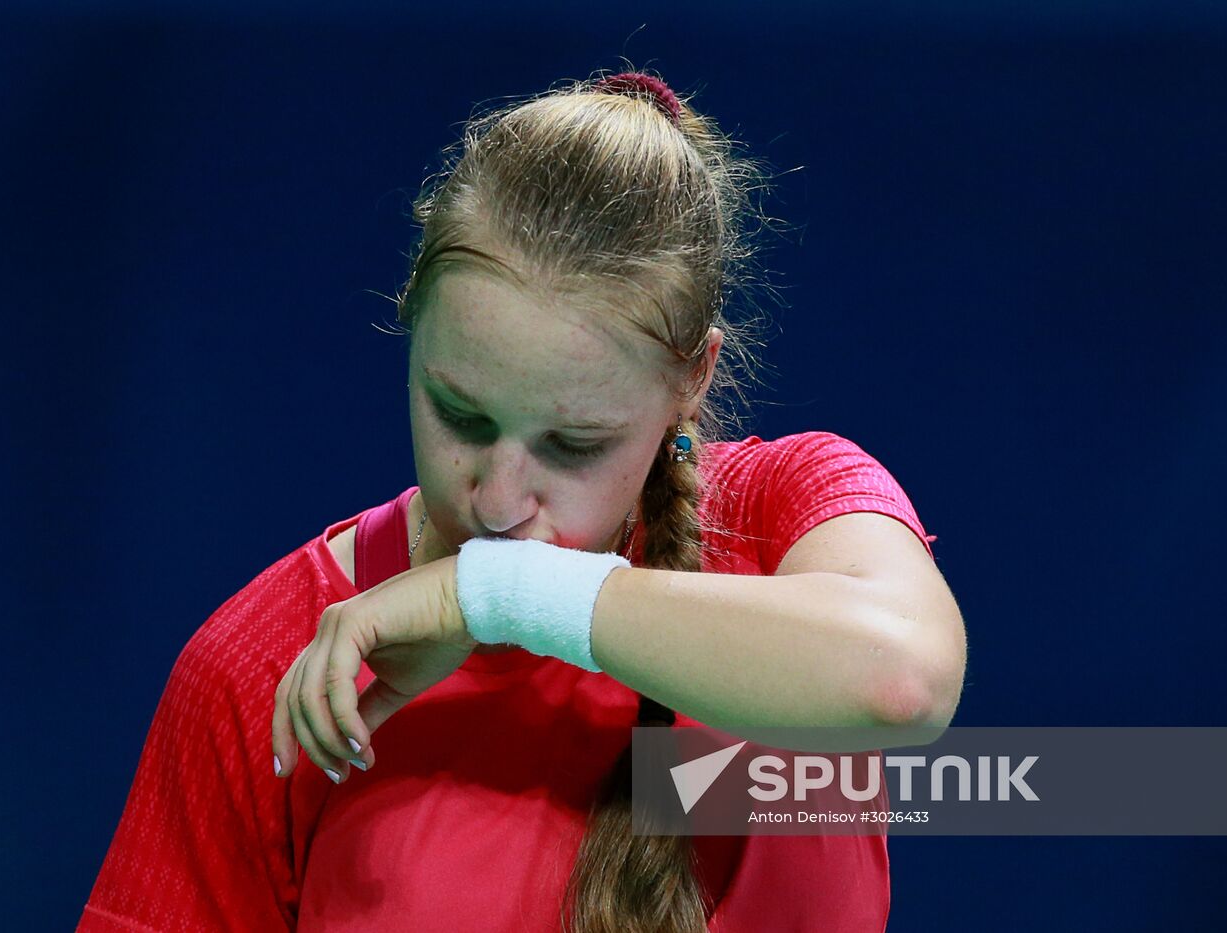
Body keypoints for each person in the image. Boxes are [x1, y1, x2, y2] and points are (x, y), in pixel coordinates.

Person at [79, 70, 966, 932]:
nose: (499, 502)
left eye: (573, 444)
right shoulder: (266, 668)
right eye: (459, 413)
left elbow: (901, 683)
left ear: (691, 382)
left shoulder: (788, 511)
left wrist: (492, 595)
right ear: (412, 325)